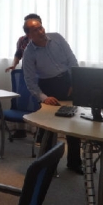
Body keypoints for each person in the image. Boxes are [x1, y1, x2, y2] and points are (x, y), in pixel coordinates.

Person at [22, 18, 83, 173]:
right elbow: (30, 80)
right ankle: (47, 165)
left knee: (73, 124)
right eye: (35, 30)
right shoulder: (29, 53)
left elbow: (72, 60)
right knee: (50, 128)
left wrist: (75, 82)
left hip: (67, 82)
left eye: (40, 27)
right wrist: (44, 97)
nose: (40, 31)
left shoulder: (57, 38)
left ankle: (74, 163)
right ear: (29, 35)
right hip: (48, 86)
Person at [5, 13, 42, 138]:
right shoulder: (22, 40)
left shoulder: (44, 40)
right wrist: (14, 65)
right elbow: (18, 54)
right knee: (21, 101)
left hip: (40, 76)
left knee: (38, 103)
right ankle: (21, 130)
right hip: (24, 74)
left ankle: (39, 132)